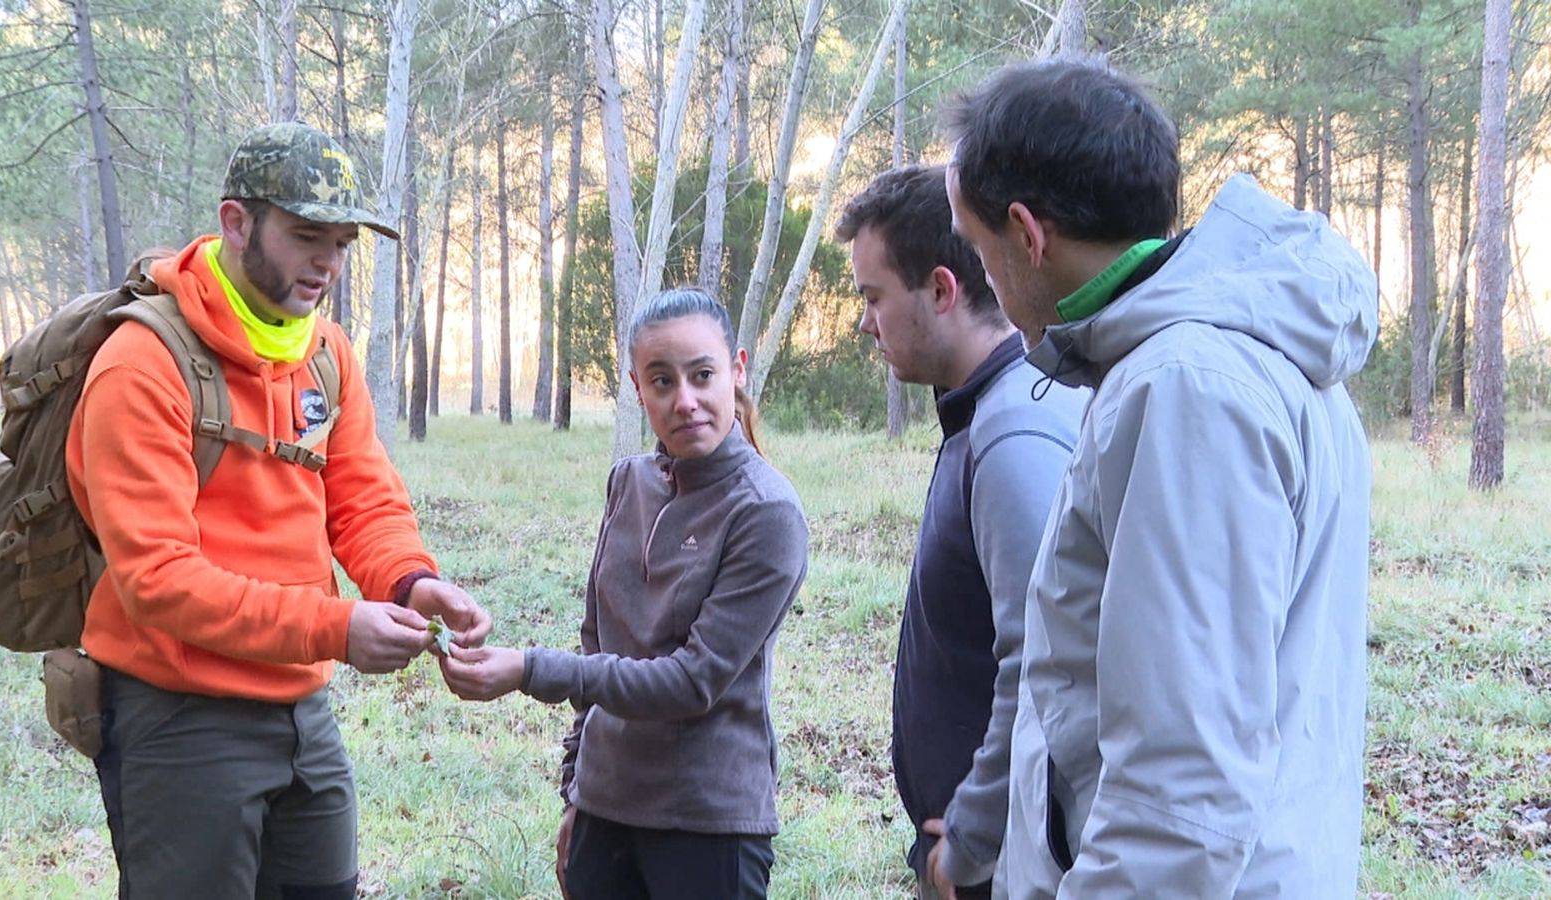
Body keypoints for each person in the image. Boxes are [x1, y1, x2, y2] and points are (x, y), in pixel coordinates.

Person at [941, 60, 1376, 897]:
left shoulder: (1186, 389)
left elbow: (1182, 799)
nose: (987, 278)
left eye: (979, 247)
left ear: (1028, 236)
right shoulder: (1248, 357)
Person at [65, 121, 492, 899]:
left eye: (342, 244)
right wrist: (334, 627)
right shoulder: (141, 365)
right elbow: (157, 580)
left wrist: (409, 583)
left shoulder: (324, 351)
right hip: (177, 714)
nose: (328, 264)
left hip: (301, 708)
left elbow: (363, 501)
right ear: (236, 222)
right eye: (306, 237)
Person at [438, 288, 809, 900]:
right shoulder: (628, 483)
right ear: (639, 389)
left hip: (707, 821)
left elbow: (692, 682)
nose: (684, 401)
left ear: (737, 371)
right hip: (605, 812)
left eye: (703, 375)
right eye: (662, 381)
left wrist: (529, 670)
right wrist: (577, 794)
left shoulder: (766, 512)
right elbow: (599, 638)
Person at [834, 166, 1087, 900]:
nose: (864, 321)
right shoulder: (981, 418)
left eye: (873, 297)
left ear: (942, 291)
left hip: (999, 863)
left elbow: (1043, 661)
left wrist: (973, 841)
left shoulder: (1013, 432)